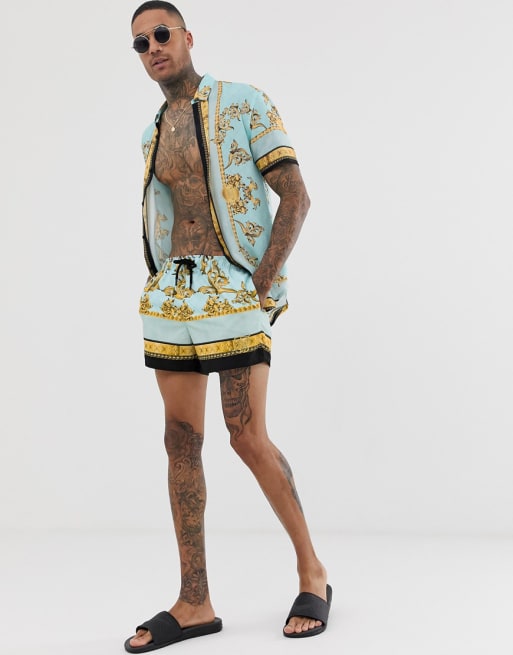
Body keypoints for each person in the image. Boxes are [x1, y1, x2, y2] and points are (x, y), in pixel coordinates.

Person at [125, 2, 332, 651]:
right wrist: (157, 279)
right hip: (173, 294)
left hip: (234, 286)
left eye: (162, 34)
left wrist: (262, 280)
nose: (154, 48)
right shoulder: (151, 132)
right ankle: (195, 601)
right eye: (140, 43)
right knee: (179, 442)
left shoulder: (242, 102)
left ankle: (313, 572)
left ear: (188, 37)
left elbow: (295, 193)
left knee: (245, 435)